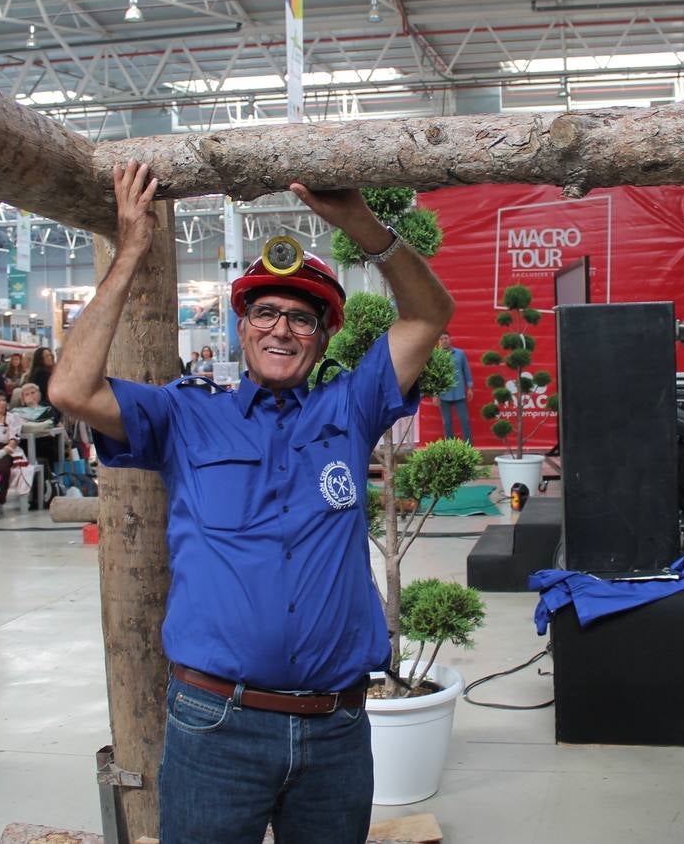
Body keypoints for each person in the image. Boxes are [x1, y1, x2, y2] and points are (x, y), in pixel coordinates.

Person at [49, 160, 454, 843]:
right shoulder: (185, 416)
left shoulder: (350, 408)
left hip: (337, 730)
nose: (281, 329)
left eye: (301, 318)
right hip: (216, 727)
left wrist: (359, 223)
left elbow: (429, 313)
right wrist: (131, 253)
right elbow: (71, 390)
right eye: (264, 311)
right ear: (241, 326)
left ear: (325, 336)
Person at [435, 330, 474, 443]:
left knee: (465, 421)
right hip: (443, 394)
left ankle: (468, 446)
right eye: (441, 339)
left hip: (459, 393)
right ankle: (450, 447)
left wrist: (470, 387)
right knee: (447, 423)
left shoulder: (460, 354)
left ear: (450, 339)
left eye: (446, 338)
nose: (444, 341)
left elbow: (466, 370)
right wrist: (435, 394)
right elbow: (434, 376)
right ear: (438, 341)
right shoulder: (436, 356)